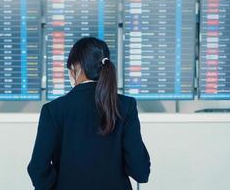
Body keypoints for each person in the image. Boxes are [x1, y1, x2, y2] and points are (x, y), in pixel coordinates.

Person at [28, 37, 150, 190]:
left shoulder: (53, 110)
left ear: (76, 66)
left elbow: (38, 168)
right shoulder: (126, 106)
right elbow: (141, 171)